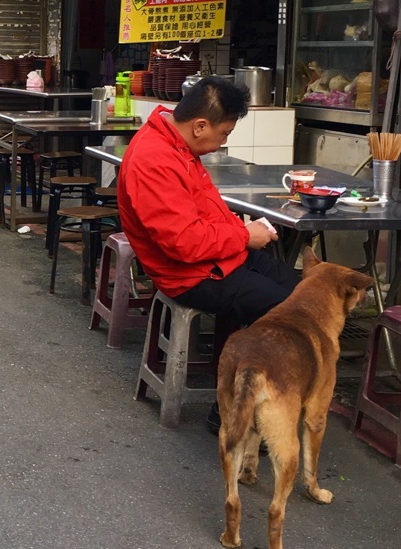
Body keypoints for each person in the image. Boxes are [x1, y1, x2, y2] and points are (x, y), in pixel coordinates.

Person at [116, 77, 301, 432]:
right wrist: (244, 234)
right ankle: (233, 414)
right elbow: (183, 243)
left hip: (221, 256)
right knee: (284, 315)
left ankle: (268, 395)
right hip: (190, 274)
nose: (223, 143)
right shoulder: (154, 159)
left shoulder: (179, 145)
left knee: (303, 298)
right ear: (200, 126)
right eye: (225, 133)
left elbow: (204, 217)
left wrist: (241, 235)